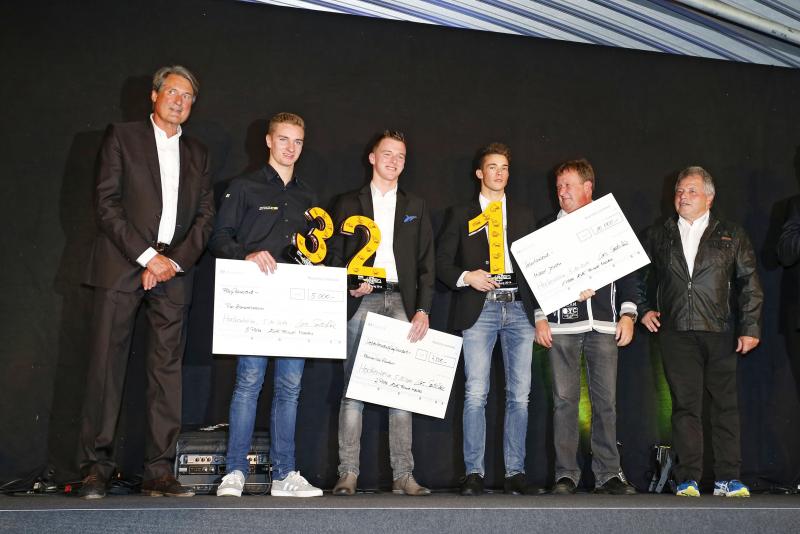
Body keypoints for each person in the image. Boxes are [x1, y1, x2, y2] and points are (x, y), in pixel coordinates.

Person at [78, 65, 214, 499]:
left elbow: (205, 217)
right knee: (106, 368)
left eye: (187, 96)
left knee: (166, 372)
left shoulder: (199, 153)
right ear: (154, 96)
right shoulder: (122, 137)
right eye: (172, 92)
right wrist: (146, 256)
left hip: (174, 272)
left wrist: (171, 262)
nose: (179, 101)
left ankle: (159, 471)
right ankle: (95, 468)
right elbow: (106, 203)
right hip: (122, 265)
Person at [210, 112, 323, 498]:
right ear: (269, 141)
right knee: (248, 382)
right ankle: (235, 471)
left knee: (290, 387)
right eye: (284, 139)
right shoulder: (244, 187)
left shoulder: (309, 196)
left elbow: (317, 250)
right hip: (255, 300)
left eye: (298, 141)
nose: (291, 148)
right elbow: (219, 237)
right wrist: (246, 255)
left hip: (295, 303)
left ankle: (284, 474)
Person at [637, 166, 762, 497]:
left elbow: (749, 282)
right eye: (679, 191)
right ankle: (688, 478)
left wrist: (750, 326)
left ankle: (727, 478)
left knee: (725, 407)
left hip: (720, 331)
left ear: (709, 197)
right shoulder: (658, 234)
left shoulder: (731, 234)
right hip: (676, 332)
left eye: (692, 191)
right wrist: (644, 309)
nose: (683, 196)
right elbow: (636, 275)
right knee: (685, 407)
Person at [329, 130, 435, 497]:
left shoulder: (416, 205)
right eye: (387, 154)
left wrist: (423, 309)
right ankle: (348, 473)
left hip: (401, 301)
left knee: (401, 392)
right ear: (372, 157)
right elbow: (335, 254)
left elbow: (427, 264)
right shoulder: (348, 202)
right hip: (362, 301)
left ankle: (403, 475)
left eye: (400, 156)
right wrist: (349, 283)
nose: (394, 161)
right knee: (352, 390)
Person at [436, 142, 537, 495]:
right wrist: (468, 276)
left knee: (520, 395)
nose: (499, 173)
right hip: (480, 307)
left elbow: (537, 267)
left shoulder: (524, 214)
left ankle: (515, 472)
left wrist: (539, 313)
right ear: (480, 173)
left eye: (504, 167)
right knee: (476, 392)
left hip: (519, 308)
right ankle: (473, 472)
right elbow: (442, 263)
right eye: (492, 167)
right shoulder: (460, 213)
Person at [533, 158, 637, 495]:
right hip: (561, 326)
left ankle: (609, 473)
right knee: (565, 402)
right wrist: (539, 316)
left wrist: (628, 314)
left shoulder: (610, 224)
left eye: (569, 185)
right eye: (558, 186)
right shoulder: (546, 228)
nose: (562, 192)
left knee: (605, 402)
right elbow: (535, 278)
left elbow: (629, 269)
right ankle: (565, 473)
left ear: (588, 187)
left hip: (604, 323)